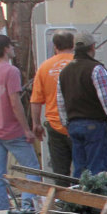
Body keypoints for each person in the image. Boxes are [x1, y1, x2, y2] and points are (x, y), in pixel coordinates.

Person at [0, 34, 41, 210]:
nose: (14, 49)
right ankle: (28, 209)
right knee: (32, 169)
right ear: (6, 49)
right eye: (11, 46)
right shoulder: (11, 71)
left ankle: (1, 212)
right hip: (12, 130)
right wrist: (26, 130)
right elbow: (15, 103)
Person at [57, 33, 107, 177]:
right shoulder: (96, 69)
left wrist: (66, 124)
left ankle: (78, 198)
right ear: (93, 47)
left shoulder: (64, 72)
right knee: (97, 172)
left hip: (74, 126)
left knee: (79, 171)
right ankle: (96, 199)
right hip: (96, 126)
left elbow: (61, 102)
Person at [30, 31, 74, 181]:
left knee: (60, 173)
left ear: (55, 46)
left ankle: (63, 202)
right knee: (84, 171)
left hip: (55, 126)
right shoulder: (79, 64)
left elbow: (35, 101)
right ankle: (85, 203)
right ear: (73, 44)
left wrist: (36, 124)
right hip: (78, 124)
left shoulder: (44, 67)